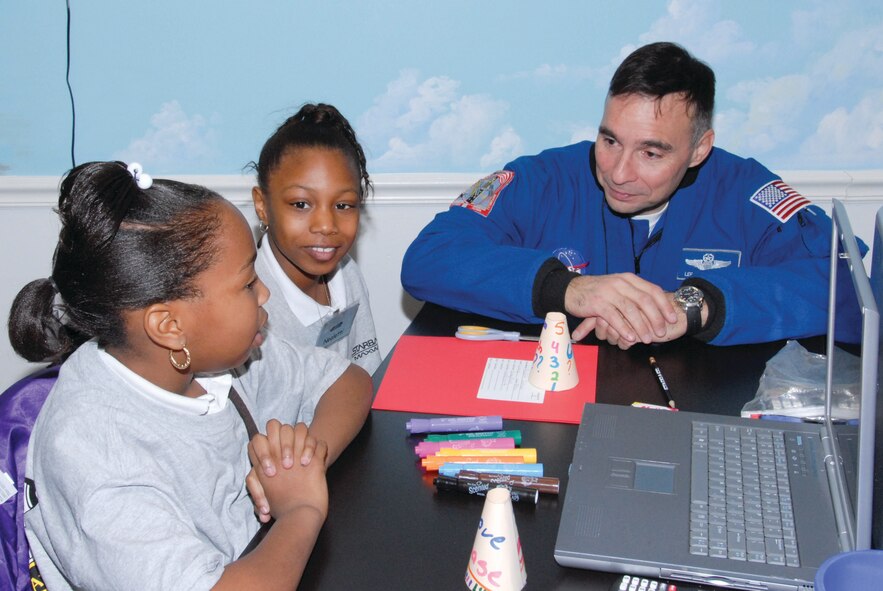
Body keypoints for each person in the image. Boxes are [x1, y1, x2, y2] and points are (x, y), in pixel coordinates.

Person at [7, 161, 373, 589]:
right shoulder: (95, 456)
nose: (265, 293)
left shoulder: (216, 359)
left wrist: (301, 462)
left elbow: (349, 381)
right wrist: (301, 509)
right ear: (169, 326)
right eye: (247, 283)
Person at [401, 41, 860, 348]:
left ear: (699, 149)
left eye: (651, 153)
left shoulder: (745, 192)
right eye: (610, 140)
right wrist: (568, 289)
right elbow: (429, 256)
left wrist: (697, 305)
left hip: (695, 423)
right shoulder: (545, 179)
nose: (619, 173)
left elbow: (856, 282)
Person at [250, 103, 381, 374]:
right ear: (262, 205)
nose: (326, 225)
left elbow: (367, 372)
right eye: (300, 204)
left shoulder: (348, 274)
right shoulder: (251, 310)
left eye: (343, 205)